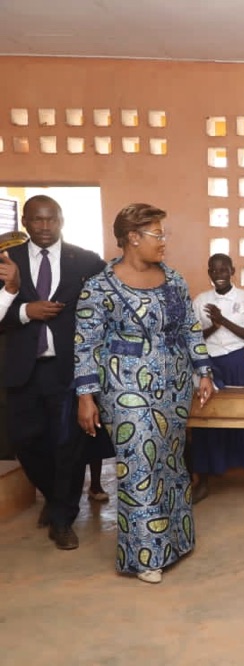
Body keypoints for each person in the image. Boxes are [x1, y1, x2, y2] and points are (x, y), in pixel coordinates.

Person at [75, 203, 214, 584]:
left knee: (169, 463)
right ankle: (144, 555)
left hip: (174, 386)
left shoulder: (172, 278)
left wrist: (203, 371)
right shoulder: (100, 286)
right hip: (127, 390)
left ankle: (176, 541)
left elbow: (190, 328)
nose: (163, 242)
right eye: (157, 235)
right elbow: (85, 344)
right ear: (132, 238)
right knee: (139, 468)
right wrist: (86, 395)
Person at [0, 195, 105, 551]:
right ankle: (56, 498)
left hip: (69, 370)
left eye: (51, 220)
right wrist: (26, 310)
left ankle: (62, 519)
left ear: (61, 221)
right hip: (23, 370)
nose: (44, 227)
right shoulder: (6, 260)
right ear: (25, 222)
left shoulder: (86, 261)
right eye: (37, 220)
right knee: (24, 442)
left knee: (68, 447)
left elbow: (104, 310)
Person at [189, 254, 244, 508]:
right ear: (208, 272)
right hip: (210, 366)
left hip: (239, 363)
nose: (219, 274)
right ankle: (203, 482)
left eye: (224, 269)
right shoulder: (201, 300)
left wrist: (222, 320)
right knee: (206, 423)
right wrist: (214, 327)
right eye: (214, 270)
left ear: (232, 271)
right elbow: (195, 337)